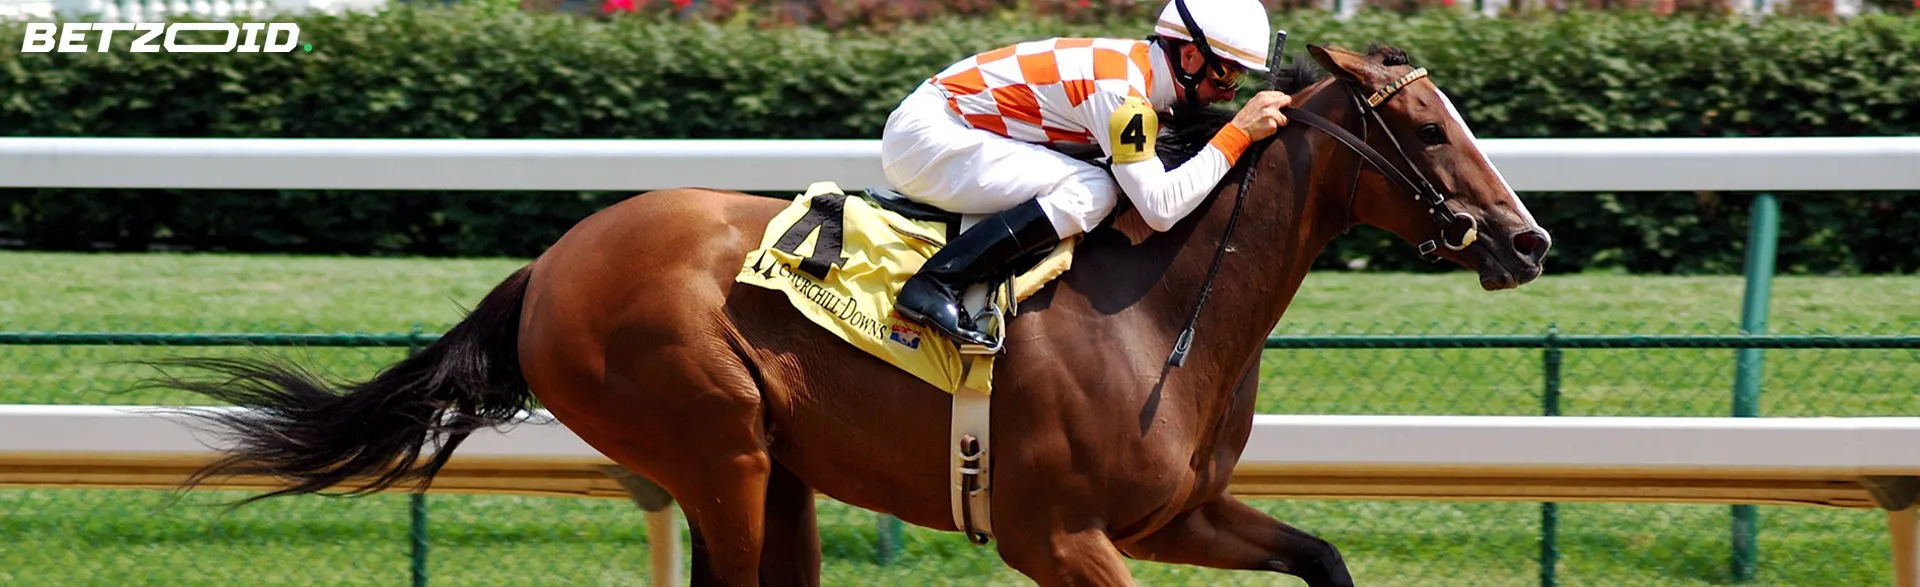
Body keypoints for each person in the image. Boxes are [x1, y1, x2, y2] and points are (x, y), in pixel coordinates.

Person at [879, 0, 1294, 348]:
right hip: (927, 138)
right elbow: (1160, 208)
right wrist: (1237, 134)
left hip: (943, 127)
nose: (1228, 93)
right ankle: (937, 282)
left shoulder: (1138, 79)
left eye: (1238, 79)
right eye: (1225, 74)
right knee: (1096, 189)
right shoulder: (1121, 94)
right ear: (1190, 57)